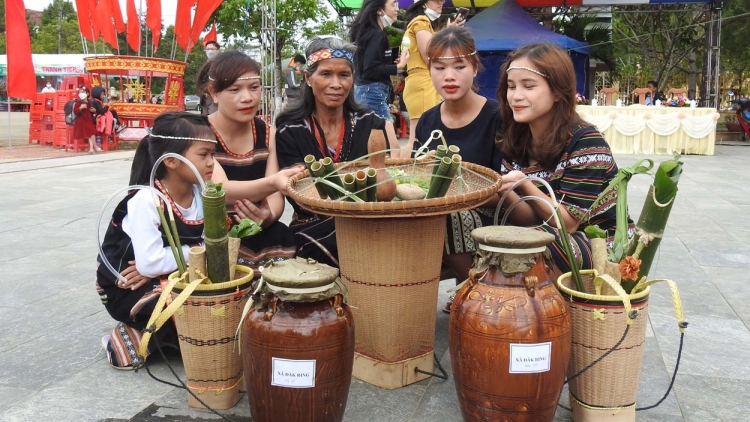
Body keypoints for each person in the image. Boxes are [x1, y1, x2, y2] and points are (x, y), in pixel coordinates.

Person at [495, 42, 633, 279]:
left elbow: (568, 224)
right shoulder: (516, 138)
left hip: (601, 241)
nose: (516, 96)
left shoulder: (586, 141)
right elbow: (529, 215)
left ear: (558, 92)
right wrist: (498, 192)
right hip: (550, 231)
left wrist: (523, 183)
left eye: (528, 86)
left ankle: (528, 308)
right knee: (475, 226)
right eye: (511, 86)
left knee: (535, 241)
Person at [97, 112, 216, 369]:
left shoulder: (201, 193)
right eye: (203, 155)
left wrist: (177, 260)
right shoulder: (146, 200)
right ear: (171, 161)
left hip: (172, 274)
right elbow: (150, 264)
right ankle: (130, 334)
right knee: (189, 305)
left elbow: (214, 243)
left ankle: (160, 338)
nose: (211, 163)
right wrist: (199, 251)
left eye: (212, 155)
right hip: (130, 287)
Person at [275, 35, 402, 267]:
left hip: (367, 220)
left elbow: (383, 175)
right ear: (308, 78)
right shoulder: (290, 129)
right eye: (326, 74)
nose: (337, 84)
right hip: (312, 225)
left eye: (344, 75)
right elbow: (299, 194)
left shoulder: (370, 123)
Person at [409, 27, 503, 312]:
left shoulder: (497, 117)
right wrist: (421, 172)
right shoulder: (427, 121)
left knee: (449, 215)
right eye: (439, 67)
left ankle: (483, 291)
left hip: (490, 212)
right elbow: (415, 183)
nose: (449, 76)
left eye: (459, 66)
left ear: (475, 68)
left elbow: (504, 191)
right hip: (439, 212)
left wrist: (458, 177)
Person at [204, 50, 301, 275]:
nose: (247, 97)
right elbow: (221, 192)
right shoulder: (201, 134)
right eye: (235, 89)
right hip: (211, 232)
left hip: (259, 229)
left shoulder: (269, 135)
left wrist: (267, 216)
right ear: (214, 93)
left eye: (254, 88)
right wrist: (275, 182)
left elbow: (275, 199)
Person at [402, 0, 463, 155]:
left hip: (420, 82)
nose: (440, 3)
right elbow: (430, 54)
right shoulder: (421, 22)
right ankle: (405, 171)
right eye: (436, 0)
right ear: (423, 4)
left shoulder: (422, 25)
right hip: (422, 82)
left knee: (421, 137)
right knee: (416, 138)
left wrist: (447, 31)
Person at [349, 0, 409, 122]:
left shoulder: (370, 33)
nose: (397, 9)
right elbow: (370, 70)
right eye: (393, 4)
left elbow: (370, 63)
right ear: (379, 10)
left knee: (375, 138)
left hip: (368, 92)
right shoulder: (377, 35)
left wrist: (392, 59)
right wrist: (399, 66)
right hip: (372, 93)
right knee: (386, 137)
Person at [72, 86, 99, 153]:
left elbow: (92, 110)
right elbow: (75, 111)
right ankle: (94, 147)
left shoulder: (89, 102)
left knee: (91, 132)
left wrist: (94, 110)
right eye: (80, 92)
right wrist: (80, 108)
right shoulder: (79, 102)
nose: (81, 93)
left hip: (88, 119)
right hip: (81, 120)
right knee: (91, 131)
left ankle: (92, 148)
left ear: (87, 93)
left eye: (83, 92)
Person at [197, 41, 222, 115]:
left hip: (215, 97)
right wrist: (203, 92)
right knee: (205, 121)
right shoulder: (205, 64)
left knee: (213, 119)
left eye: (212, 49)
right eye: (207, 49)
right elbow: (200, 80)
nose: (210, 51)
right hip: (204, 98)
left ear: (218, 50)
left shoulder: (221, 64)